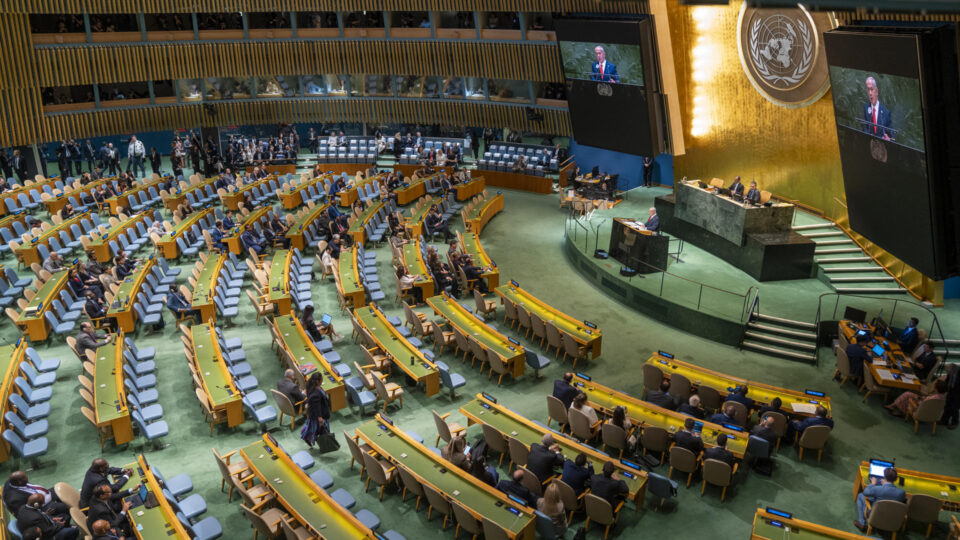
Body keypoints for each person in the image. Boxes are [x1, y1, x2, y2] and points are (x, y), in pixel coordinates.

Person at [853, 467, 905, 532]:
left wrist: (873, 483)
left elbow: (865, 492)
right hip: (891, 518)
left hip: (875, 516)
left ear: (884, 477)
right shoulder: (902, 493)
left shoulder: (877, 489)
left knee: (860, 495)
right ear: (896, 479)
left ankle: (861, 523)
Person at [3, 471, 69, 520]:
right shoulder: (15, 500)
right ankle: (67, 524)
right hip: (41, 508)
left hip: (41, 495)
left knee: (62, 491)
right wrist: (44, 514)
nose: (27, 477)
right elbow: (25, 514)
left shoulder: (12, 482)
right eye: (25, 477)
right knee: (65, 506)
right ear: (19, 482)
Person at [301, 372, 332, 446]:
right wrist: (320, 418)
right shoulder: (316, 394)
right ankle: (309, 438)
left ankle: (308, 437)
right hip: (318, 415)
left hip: (313, 413)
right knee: (315, 430)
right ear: (317, 381)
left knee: (312, 428)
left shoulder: (310, 384)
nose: (322, 382)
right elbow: (317, 407)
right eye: (321, 380)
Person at [863, 76, 892, 141]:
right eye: (868, 90)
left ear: (876, 91)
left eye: (872, 89)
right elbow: (864, 129)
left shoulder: (886, 112)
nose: (870, 93)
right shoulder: (865, 108)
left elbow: (891, 136)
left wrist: (888, 139)